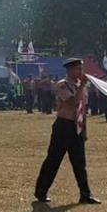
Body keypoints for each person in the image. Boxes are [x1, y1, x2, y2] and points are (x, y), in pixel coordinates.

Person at [33, 58, 101, 204]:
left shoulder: (82, 87)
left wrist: (84, 131)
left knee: (80, 163)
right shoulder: (62, 85)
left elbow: (83, 109)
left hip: (77, 126)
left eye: (82, 69)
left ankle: (85, 194)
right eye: (78, 69)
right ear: (70, 70)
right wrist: (82, 85)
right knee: (53, 160)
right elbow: (73, 102)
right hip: (63, 126)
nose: (81, 72)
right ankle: (41, 192)